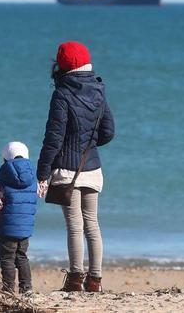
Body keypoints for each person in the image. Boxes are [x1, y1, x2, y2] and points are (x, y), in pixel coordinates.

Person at [36, 41, 115, 293]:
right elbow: (108, 132)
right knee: (92, 223)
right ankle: (95, 281)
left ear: (62, 66)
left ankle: (75, 280)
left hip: (66, 171)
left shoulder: (61, 94)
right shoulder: (99, 90)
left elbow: (53, 138)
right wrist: (88, 145)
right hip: (91, 167)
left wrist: (42, 173)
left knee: (74, 225)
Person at [0, 141, 38, 294]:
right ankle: (26, 288)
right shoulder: (34, 180)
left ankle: (8, 289)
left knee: (7, 258)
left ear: (5, 159)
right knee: (22, 256)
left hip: (7, 228)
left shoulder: (2, 181)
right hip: (26, 227)